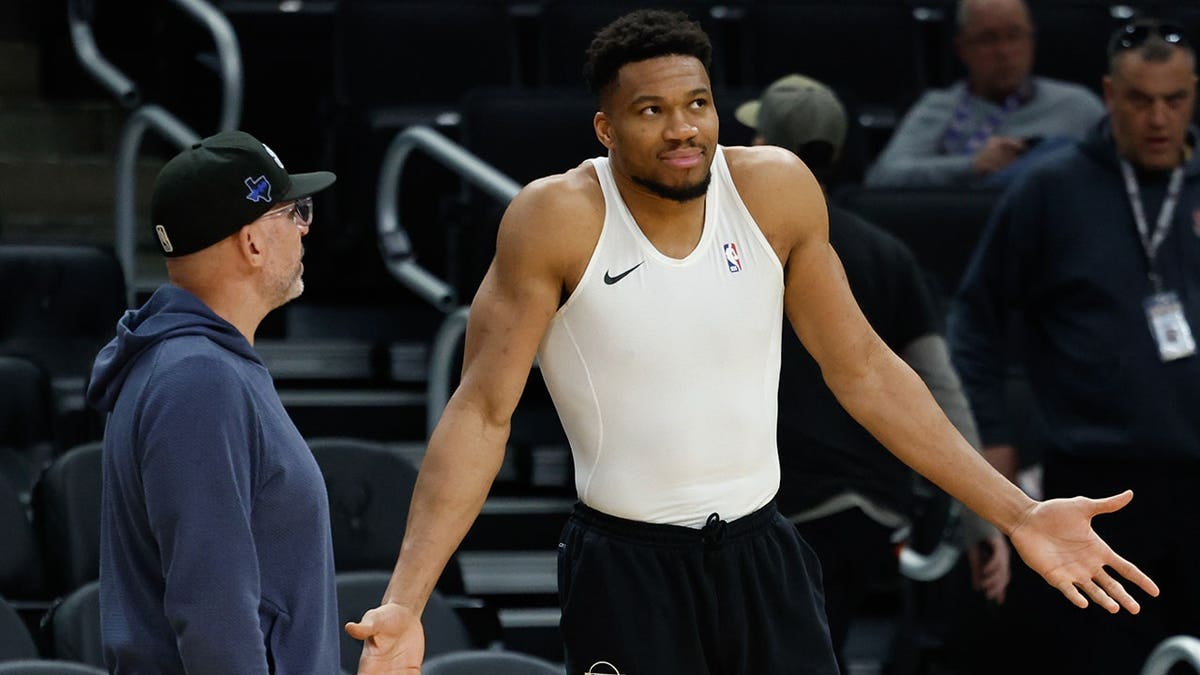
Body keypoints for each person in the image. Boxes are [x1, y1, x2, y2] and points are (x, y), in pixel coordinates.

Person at [347, 9, 1158, 675]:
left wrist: (1014, 512)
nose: (681, 129)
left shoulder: (774, 190)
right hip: (628, 569)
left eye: (696, 104)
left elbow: (867, 371)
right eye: (651, 110)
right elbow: (482, 414)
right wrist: (408, 599)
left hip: (764, 551)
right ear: (605, 126)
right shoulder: (554, 218)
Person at [949, 18, 1200, 675]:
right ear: (1108, 94)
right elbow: (974, 316)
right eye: (1140, 100)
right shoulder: (1052, 187)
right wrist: (992, 435)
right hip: (1097, 483)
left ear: (1194, 95)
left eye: (1174, 100)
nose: (1157, 118)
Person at [735, 73, 1010, 672]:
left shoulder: (725, 248)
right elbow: (944, 391)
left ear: (761, 149)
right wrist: (980, 517)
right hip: (869, 514)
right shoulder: (887, 252)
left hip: (769, 509)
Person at [85, 130, 341, 673]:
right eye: (293, 212)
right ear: (251, 243)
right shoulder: (199, 379)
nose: (306, 226)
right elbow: (214, 614)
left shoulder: (192, 366)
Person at [864, 0, 1106, 189]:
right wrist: (971, 166)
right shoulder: (938, 106)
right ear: (962, 49)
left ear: (1032, 39)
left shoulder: (1078, 106)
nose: (1004, 51)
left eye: (1015, 35)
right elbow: (883, 177)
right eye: (988, 39)